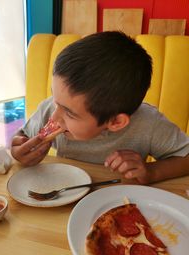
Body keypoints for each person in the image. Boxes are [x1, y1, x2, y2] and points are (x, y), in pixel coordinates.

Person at [11, 31, 189, 185]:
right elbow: (23, 136)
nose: (54, 118)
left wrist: (151, 172)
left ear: (116, 122)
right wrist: (19, 150)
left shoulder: (149, 124)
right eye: (56, 100)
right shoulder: (51, 108)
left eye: (69, 113)